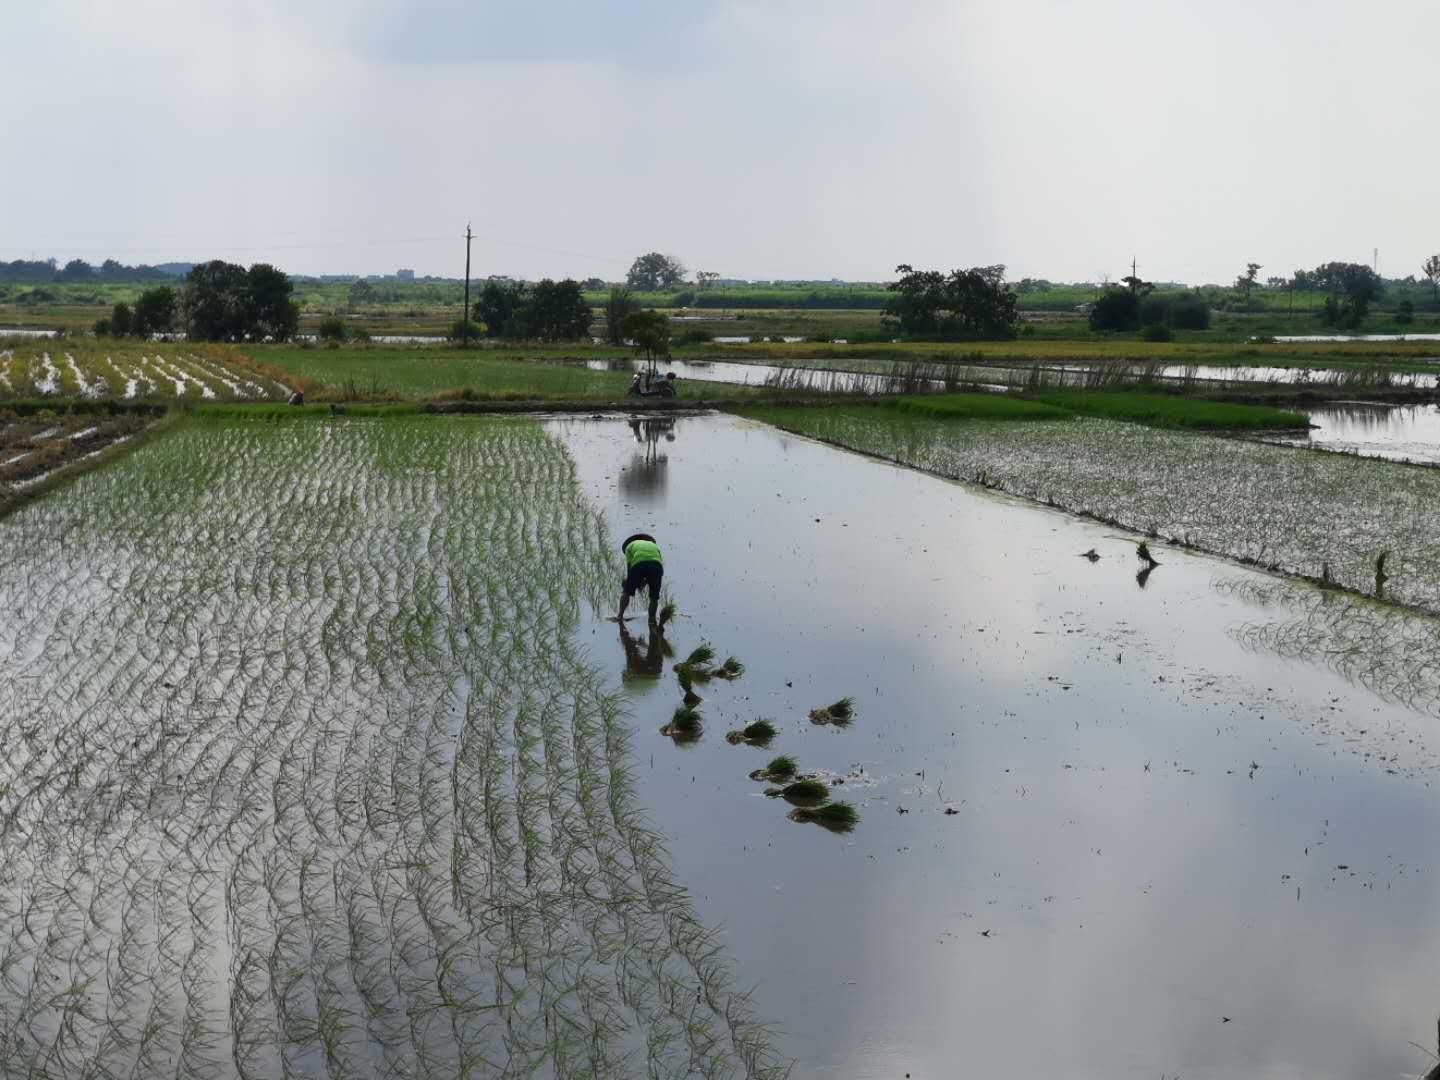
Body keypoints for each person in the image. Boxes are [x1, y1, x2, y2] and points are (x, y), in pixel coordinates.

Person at [617, 531, 663, 625]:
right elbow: (655, 562)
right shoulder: (653, 546)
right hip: (657, 566)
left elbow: (630, 569)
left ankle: (620, 616)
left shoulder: (629, 547)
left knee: (626, 592)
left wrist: (632, 583)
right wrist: (644, 582)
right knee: (654, 598)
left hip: (639, 564)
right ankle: (652, 620)